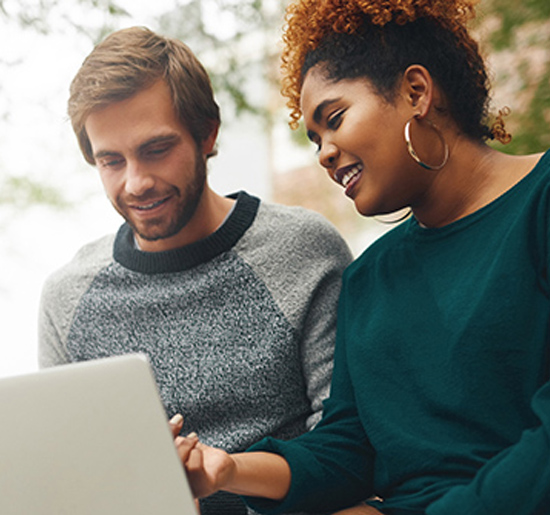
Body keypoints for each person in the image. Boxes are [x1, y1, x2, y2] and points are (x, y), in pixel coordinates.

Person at [171, 0, 550, 513]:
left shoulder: (539, 203)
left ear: (416, 92)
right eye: (314, 138)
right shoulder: (370, 277)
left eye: (335, 118)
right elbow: (348, 449)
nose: (324, 152)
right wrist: (229, 469)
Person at [37, 26, 353, 515]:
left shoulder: (303, 250)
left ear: (207, 133)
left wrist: (225, 470)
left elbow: (348, 452)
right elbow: (67, 483)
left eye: (156, 149)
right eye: (111, 161)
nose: (136, 182)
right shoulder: (67, 299)